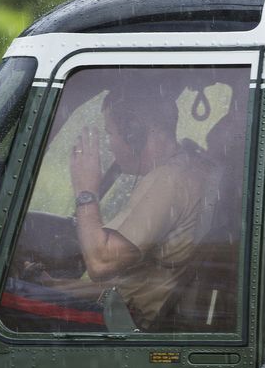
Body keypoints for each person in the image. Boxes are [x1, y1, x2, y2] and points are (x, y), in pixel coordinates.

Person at [66, 91, 217, 330]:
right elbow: (123, 287)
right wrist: (53, 284)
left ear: (133, 133)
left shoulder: (168, 182)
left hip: (125, 328)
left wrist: (86, 190)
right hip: (127, 315)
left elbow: (100, 263)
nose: (110, 145)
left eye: (110, 134)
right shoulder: (186, 169)